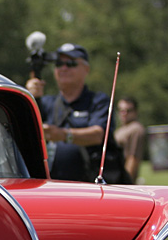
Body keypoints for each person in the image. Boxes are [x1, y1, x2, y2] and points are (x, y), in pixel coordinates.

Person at [30, 43, 128, 183]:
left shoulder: (98, 101)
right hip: (53, 188)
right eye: (59, 63)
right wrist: (30, 96)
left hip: (91, 188)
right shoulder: (45, 103)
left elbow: (98, 135)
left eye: (71, 63)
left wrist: (63, 135)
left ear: (86, 69)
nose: (64, 68)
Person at [115, 97, 146, 182]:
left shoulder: (136, 129)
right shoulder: (120, 129)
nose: (124, 113)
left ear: (135, 112)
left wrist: (126, 182)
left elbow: (133, 158)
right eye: (121, 110)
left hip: (122, 181)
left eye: (128, 110)